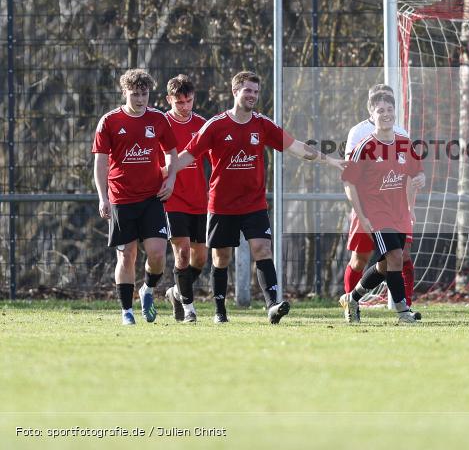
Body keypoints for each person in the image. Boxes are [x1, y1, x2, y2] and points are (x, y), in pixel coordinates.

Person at [171, 71, 345, 324]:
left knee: (263, 249)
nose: (252, 95)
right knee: (221, 258)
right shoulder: (216, 125)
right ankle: (220, 311)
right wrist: (164, 175)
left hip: (254, 203)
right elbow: (188, 155)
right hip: (221, 204)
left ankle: (273, 306)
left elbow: (296, 146)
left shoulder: (262, 124)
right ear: (235, 92)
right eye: (247, 91)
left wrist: (329, 160)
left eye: (255, 91)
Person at [92, 69, 179, 325]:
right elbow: (100, 163)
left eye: (144, 93)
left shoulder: (159, 119)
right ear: (125, 93)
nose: (140, 99)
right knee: (127, 255)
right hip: (121, 198)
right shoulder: (109, 121)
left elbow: (172, 153)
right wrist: (102, 197)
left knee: (158, 253)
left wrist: (171, 179)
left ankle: (147, 291)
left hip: (151, 197)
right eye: (135, 94)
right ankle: (126, 311)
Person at [339, 92, 423, 324]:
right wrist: (361, 213)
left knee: (388, 264)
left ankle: (352, 297)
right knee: (394, 257)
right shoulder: (364, 146)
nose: (386, 114)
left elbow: (417, 172)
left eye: (389, 110)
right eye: (380, 110)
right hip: (376, 213)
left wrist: (420, 179)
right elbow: (349, 181)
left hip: (399, 212)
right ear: (371, 115)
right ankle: (403, 313)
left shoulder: (404, 143)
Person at [159, 75, 209, 323]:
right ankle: (189, 309)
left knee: (201, 257)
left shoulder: (202, 124)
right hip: (172, 199)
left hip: (199, 199)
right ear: (169, 99)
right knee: (182, 252)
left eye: (189, 101)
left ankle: (177, 292)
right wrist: (164, 174)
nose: (185, 106)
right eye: (179, 102)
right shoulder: (160, 124)